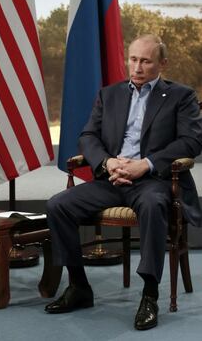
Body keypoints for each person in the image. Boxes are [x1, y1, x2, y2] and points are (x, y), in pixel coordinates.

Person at [45, 34, 202, 330]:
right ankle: (79, 286)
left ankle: (150, 294)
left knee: (154, 205)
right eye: (133, 59)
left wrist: (146, 164)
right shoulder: (110, 94)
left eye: (146, 61)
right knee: (58, 205)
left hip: (154, 180)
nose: (137, 67)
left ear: (162, 64)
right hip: (112, 178)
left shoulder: (181, 95)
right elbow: (88, 136)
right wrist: (108, 163)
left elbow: (191, 142)